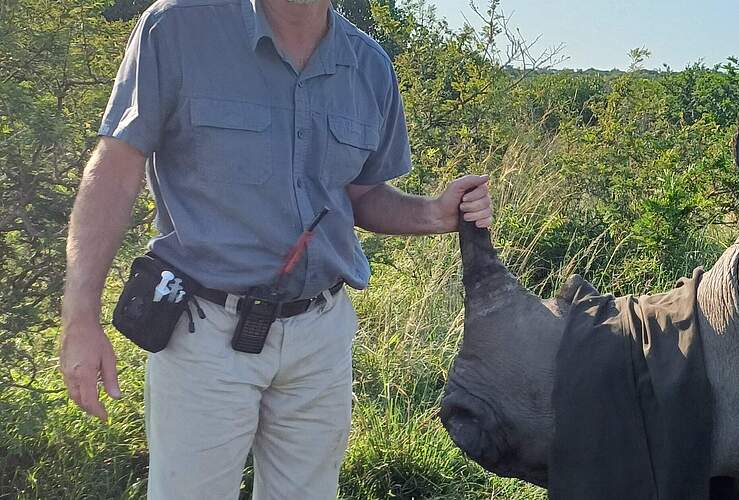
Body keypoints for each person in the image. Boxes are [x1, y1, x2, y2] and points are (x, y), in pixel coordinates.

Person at [56, 0, 493, 497]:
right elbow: (116, 166)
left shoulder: (368, 65)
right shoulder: (177, 28)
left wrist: (433, 213)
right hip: (204, 332)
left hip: (319, 338)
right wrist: (80, 316)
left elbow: (361, 196)